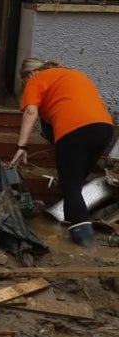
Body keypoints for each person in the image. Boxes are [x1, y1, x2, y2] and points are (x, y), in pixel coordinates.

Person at [10, 58, 115, 248]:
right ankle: (72, 217)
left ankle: (85, 242)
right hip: (105, 128)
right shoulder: (73, 74)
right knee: (76, 178)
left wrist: (21, 146)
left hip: (73, 130)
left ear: (28, 75)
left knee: (71, 185)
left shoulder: (35, 80)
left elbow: (31, 112)